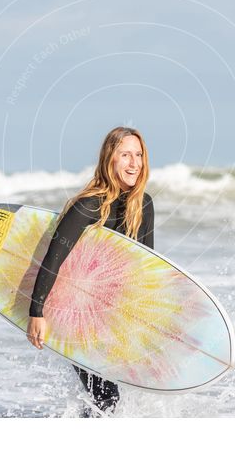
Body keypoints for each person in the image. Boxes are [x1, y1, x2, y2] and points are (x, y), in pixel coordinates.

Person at [26, 126, 155, 416]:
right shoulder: (88, 206)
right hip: (76, 314)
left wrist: (145, 327)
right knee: (106, 398)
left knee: (105, 399)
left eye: (139, 155)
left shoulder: (143, 206)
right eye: (125, 155)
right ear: (110, 159)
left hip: (112, 318)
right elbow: (53, 259)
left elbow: (147, 271)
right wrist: (37, 313)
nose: (134, 163)